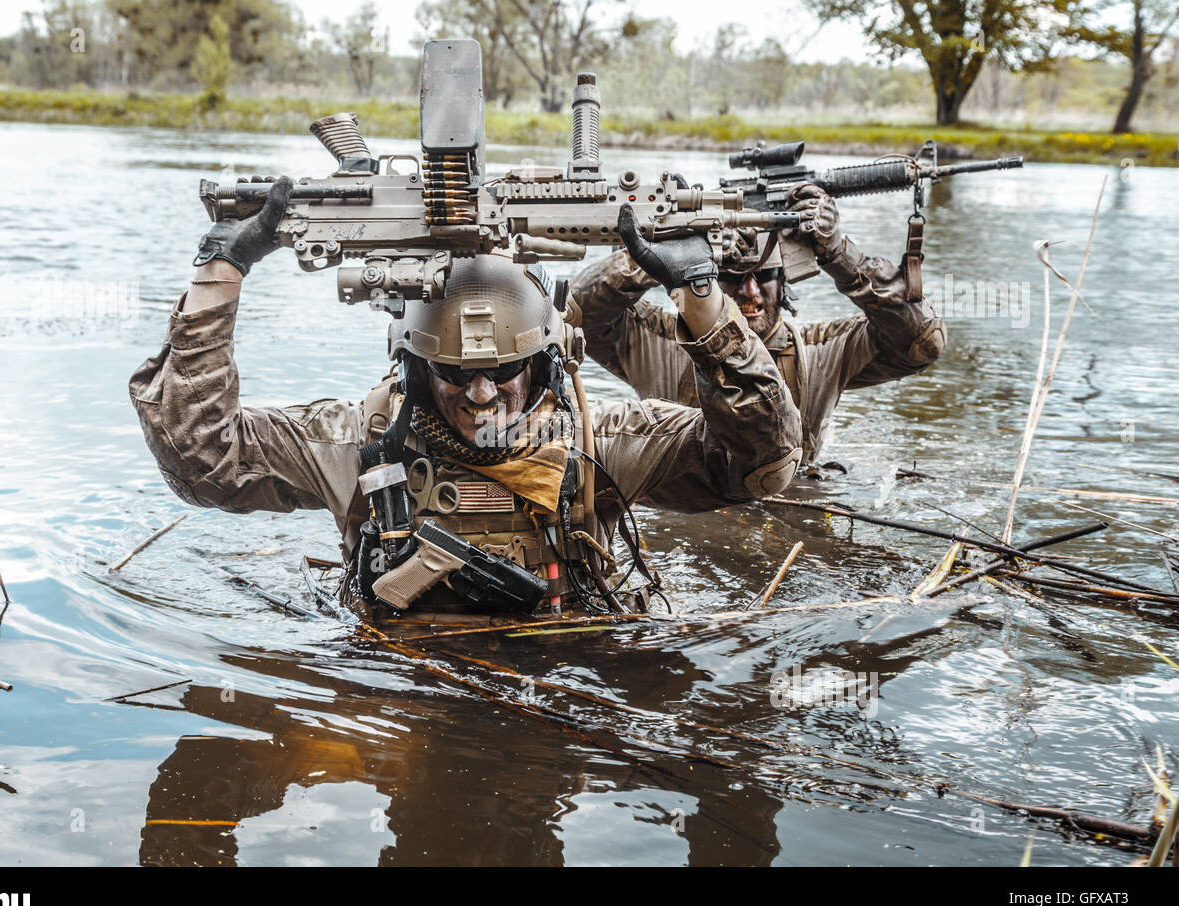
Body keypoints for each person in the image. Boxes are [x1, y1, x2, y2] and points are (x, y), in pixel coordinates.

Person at [129, 176, 802, 620]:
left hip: (558, 697)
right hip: (403, 694)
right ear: (416, 369)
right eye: (453, 373)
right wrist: (221, 271)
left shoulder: (604, 442)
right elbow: (201, 461)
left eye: (506, 368)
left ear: (544, 363)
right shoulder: (357, 440)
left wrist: (704, 301)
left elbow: (760, 464)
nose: (482, 396)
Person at [567, 184, 947, 467]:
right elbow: (574, 314)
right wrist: (660, 252)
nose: (750, 291)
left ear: (784, 283)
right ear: (709, 279)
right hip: (688, 508)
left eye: (764, 276)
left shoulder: (823, 350)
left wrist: (838, 255)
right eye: (732, 277)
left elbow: (921, 342)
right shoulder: (660, 339)